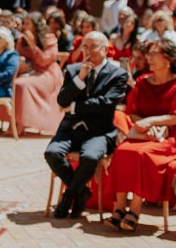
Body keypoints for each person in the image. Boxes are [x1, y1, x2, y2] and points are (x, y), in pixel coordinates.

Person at [105, 39, 176, 231]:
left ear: (168, 59)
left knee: (143, 155)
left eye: (155, 54)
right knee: (122, 151)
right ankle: (119, 208)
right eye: (149, 54)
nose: (149, 58)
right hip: (143, 133)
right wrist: (144, 125)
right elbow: (133, 111)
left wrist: (153, 122)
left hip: (170, 139)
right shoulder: (142, 81)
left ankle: (135, 210)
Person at [45, 31, 128, 220]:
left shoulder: (118, 74)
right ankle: (81, 193)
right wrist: (80, 79)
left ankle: (68, 197)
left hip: (99, 131)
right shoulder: (74, 70)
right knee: (52, 153)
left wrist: (74, 107)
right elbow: (61, 100)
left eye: (93, 46)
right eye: (84, 46)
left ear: (106, 49)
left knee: (90, 157)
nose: (87, 51)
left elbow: (106, 104)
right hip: (70, 129)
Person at [10, 12, 65, 136]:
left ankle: (20, 124)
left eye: (28, 24)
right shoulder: (21, 40)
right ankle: (12, 123)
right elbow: (17, 56)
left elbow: (45, 61)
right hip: (29, 72)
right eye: (24, 23)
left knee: (22, 85)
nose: (24, 26)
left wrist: (33, 45)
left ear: (36, 25)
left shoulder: (49, 38)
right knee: (13, 83)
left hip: (48, 74)